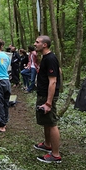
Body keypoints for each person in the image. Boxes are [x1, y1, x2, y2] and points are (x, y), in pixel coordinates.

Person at [33, 35, 62, 163]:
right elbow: (59, 71)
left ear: (44, 45)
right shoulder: (45, 58)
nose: (35, 44)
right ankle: (47, 144)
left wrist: (49, 102)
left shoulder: (50, 58)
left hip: (47, 96)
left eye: (37, 42)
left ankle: (55, 155)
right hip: (43, 94)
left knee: (51, 123)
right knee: (46, 121)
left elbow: (53, 81)